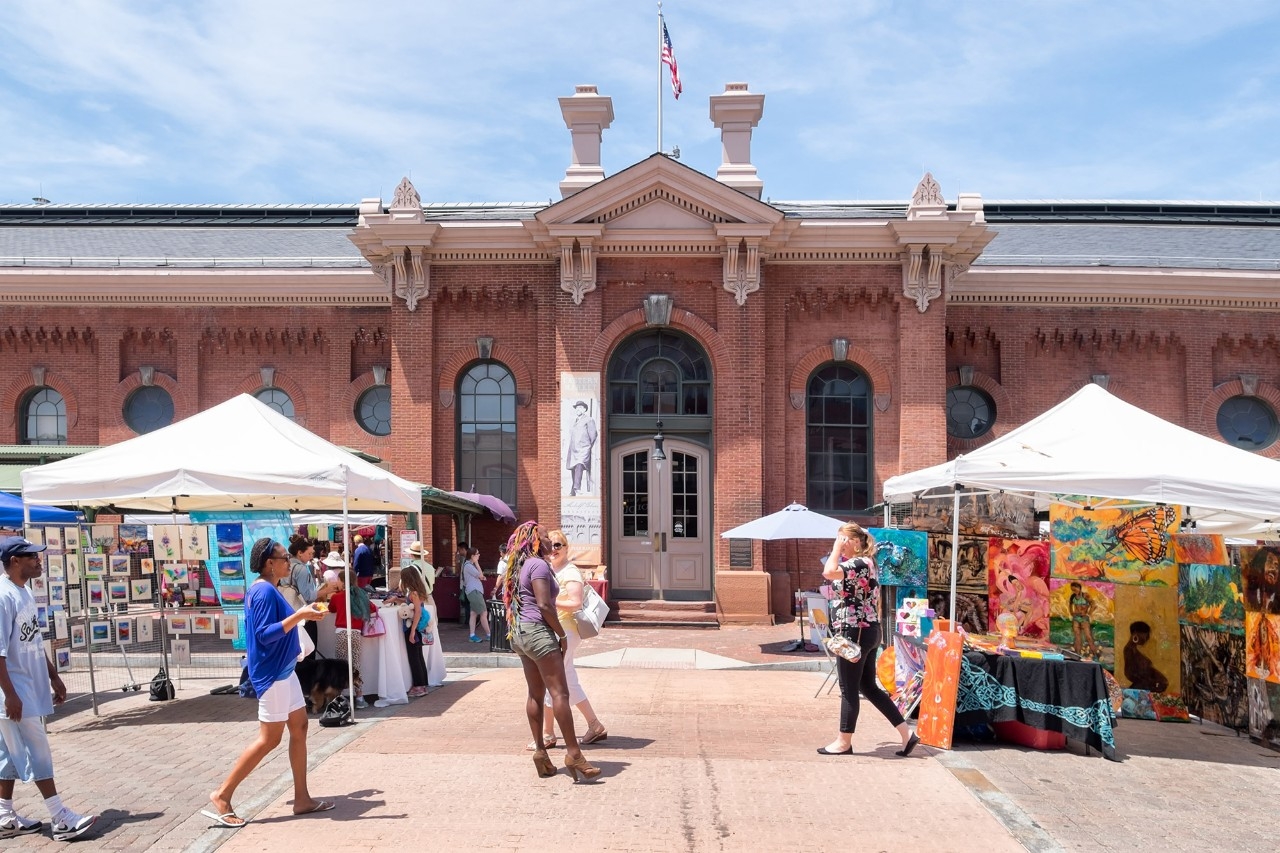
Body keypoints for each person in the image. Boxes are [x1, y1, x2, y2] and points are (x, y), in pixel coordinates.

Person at [206, 538, 332, 828]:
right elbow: (264, 634)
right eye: (283, 557)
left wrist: (305, 612)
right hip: (273, 674)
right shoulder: (263, 591)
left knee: (299, 727)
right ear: (269, 563)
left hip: (283, 673)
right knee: (270, 739)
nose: (288, 561)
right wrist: (301, 614)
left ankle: (302, 798)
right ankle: (222, 794)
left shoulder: (267, 588)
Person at [0, 536, 97, 841]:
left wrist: (53, 674)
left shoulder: (24, 591)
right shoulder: (3, 597)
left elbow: (32, 639)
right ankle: (60, 817)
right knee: (37, 749)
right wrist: (11, 695)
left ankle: (4, 815)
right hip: (15, 690)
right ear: (15, 562)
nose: (39, 561)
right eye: (33, 557)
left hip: (28, 685)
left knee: (7, 755)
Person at [498, 521, 600, 782]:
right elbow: (545, 604)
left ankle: (541, 753)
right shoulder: (538, 564)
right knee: (560, 694)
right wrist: (562, 634)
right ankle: (574, 754)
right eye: (544, 537)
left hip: (519, 632)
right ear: (533, 539)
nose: (548, 541)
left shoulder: (516, 566)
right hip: (537, 632)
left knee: (535, 694)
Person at [817, 523, 917, 757]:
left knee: (848, 688)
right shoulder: (863, 564)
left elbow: (828, 572)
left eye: (843, 539)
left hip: (855, 632)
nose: (840, 544)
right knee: (868, 687)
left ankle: (844, 741)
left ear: (855, 542)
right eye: (839, 539)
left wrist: (833, 549)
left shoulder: (859, 563)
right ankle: (906, 734)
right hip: (866, 630)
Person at [531, 529, 606, 749]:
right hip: (557, 629)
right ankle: (595, 725)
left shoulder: (570, 572)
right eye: (549, 545)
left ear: (566, 548)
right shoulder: (551, 569)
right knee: (568, 680)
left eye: (558, 546)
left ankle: (547, 734)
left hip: (565, 631)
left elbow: (575, 602)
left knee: (550, 680)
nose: (553, 550)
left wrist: (547, 602)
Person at [319, 551, 369, 709]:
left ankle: (339, 696)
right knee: (355, 665)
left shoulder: (337, 597)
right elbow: (372, 608)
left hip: (341, 633)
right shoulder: (361, 594)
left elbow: (331, 609)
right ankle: (359, 696)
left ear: (342, 582)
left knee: (340, 665)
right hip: (355, 633)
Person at [396, 565, 432, 698]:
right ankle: (422, 683)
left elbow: (417, 611)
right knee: (418, 655)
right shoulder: (416, 591)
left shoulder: (413, 593)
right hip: (417, 627)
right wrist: (396, 599)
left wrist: (412, 631)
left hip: (413, 627)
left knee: (414, 657)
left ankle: (419, 686)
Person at [1124, 621, 1170, 692]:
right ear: (1136, 633)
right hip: (1140, 688)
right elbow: (1130, 673)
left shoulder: (1134, 650)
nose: (1147, 638)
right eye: (1146, 634)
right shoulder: (1129, 650)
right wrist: (1150, 681)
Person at [565, 400, 598, 496]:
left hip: (583, 448)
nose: (578, 409)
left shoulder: (589, 420)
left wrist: (587, 445)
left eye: (580, 407)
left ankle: (577, 488)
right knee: (573, 467)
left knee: (579, 464)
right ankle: (573, 490)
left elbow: (593, 435)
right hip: (574, 449)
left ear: (584, 409)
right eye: (577, 408)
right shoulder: (575, 420)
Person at [463, 546, 491, 643]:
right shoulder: (469, 566)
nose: (479, 555)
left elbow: (481, 576)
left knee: (473, 613)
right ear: (472, 556)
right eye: (477, 554)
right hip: (474, 591)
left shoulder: (469, 565)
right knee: (483, 613)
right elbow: (481, 575)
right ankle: (489, 634)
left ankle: (472, 635)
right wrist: (477, 562)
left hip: (473, 591)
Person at [1069, 582, 1102, 658]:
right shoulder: (1073, 597)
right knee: (1077, 637)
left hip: (1084, 618)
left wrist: (1088, 614)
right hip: (1076, 618)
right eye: (1073, 590)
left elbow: (1094, 605)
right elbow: (1070, 605)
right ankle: (1078, 654)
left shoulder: (1085, 595)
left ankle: (1095, 653)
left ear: (1079, 588)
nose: (1074, 591)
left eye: (1075, 589)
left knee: (1088, 636)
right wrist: (1072, 612)